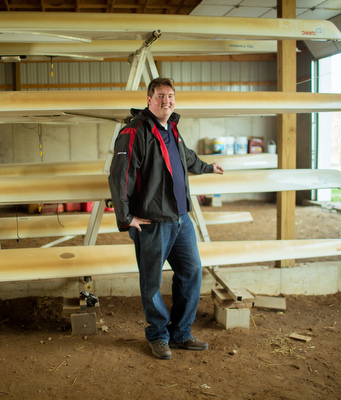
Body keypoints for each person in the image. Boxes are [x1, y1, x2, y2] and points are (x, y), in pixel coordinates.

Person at [108, 77, 225, 360]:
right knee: (151, 282)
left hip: (180, 219)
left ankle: (181, 333)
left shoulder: (173, 128)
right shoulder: (133, 131)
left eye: (170, 96)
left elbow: (186, 158)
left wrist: (209, 167)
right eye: (160, 96)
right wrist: (126, 218)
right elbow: (120, 175)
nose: (166, 101)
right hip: (152, 222)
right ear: (149, 100)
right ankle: (158, 336)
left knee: (191, 272)